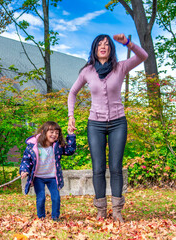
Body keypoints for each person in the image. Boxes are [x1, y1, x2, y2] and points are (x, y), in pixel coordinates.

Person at [67, 34, 148, 222]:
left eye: (107, 44)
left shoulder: (120, 67)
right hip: (95, 124)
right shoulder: (87, 71)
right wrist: (71, 115)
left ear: (111, 48)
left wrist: (128, 43)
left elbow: (143, 56)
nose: (103, 46)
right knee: (98, 168)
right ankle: (101, 211)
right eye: (99, 44)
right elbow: (72, 92)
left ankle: (118, 211)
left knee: (116, 167)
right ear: (94, 48)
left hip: (118, 123)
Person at [20, 121, 76, 221]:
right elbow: (26, 159)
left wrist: (71, 135)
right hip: (38, 177)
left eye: (57, 133)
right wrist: (24, 170)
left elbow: (70, 150)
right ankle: (41, 217)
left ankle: (55, 217)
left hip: (53, 177)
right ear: (43, 132)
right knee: (41, 198)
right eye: (51, 132)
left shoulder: (57, 146)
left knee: (56, 198)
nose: (54, 135)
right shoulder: (33, 146)